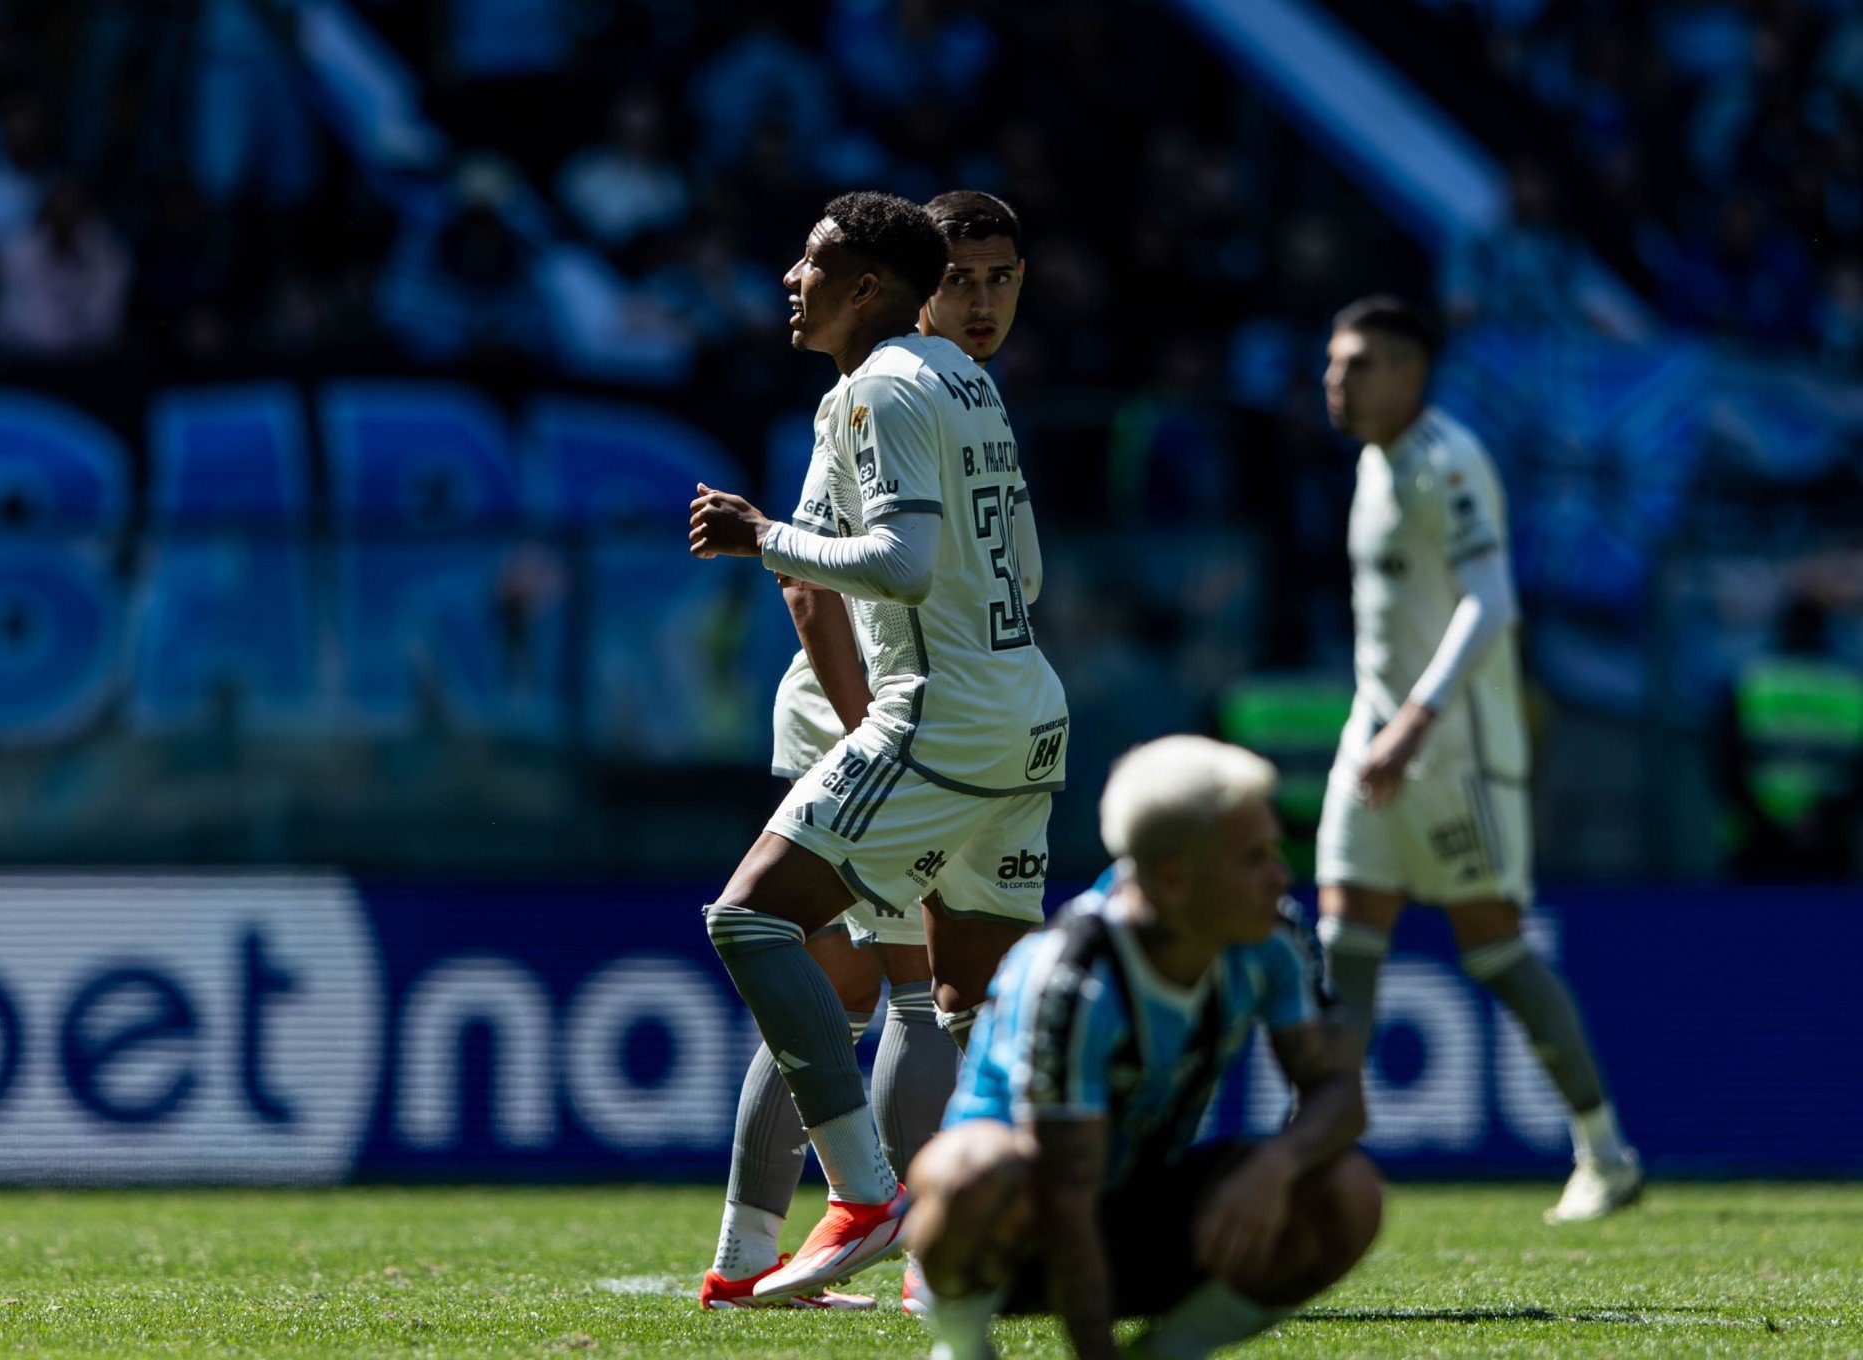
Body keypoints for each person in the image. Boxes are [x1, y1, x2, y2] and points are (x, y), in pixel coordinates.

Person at [689, 190, 1066, 1301]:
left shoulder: (878, 386)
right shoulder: (968, 381)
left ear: (866, 287)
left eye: (811, 262)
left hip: (930, 717)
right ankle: (985, 1245)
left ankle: (866, 1192)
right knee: (967, 1011)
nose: (790, 280)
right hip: (1023, 710)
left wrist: (761, 535)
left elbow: (893, 564)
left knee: (755, 923)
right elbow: (1026, 570)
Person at [1316, 295, 1642, 1224]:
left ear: (1413, 375)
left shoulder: (1446, 461)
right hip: (1371, 741)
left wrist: (1413, 724)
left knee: (1497, 952)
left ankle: (1605, 1151)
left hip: (1451, 751)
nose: (1338, 381)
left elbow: (1493, 602)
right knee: (1344, 945)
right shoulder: (1376, 463)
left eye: (1360, 365)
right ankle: (1319, 1155)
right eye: (1334, 364)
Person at [907, 736, 1380, 1360]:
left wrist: (1278, 1165)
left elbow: (1341, 1094)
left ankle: (1170, 1351)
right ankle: (964, 1344)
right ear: (1173, 879)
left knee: (1347, 1190)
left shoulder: (1274, 936)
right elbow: (1068, 1200)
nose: (1280, 876)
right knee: (970, 1173)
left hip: (1138, 1209)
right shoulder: (1074, 976)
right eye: (1254, 857)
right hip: (1029, 1225)